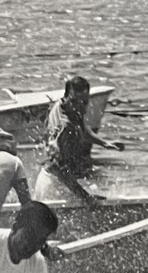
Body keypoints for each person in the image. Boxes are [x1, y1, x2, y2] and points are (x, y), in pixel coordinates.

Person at [34, 75, 122, 203]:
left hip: (61, 181)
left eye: (85, 102)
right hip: (52, 185)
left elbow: (83, 129)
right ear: (67, 96)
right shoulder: (64, 127)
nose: (81, 107)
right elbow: (58, 168)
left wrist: (104, 143)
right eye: (75, 101)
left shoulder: (68, 107)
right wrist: (86, 198)